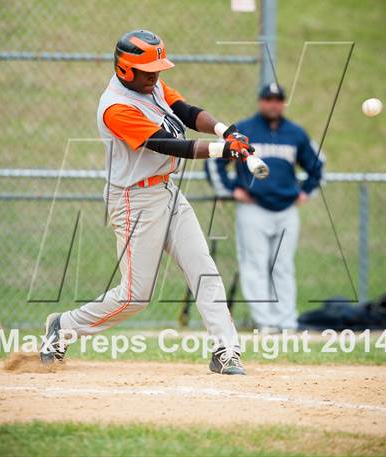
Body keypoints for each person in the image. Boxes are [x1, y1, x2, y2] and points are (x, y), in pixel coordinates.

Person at [40, 29, 258, 375]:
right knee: (134, 296)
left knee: (204, 269)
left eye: (157, 69)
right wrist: (222, 150)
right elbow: (169, 145)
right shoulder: (115, 108)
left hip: (166, 190)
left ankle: (226, 350)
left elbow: (186, 111)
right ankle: (63, 326)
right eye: (147, 70)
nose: (155, 76)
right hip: (133, 200)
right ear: (126, 70)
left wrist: (225, 131)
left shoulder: (150, 84)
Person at [206, 83, 324, 332]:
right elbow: (214, 161)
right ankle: (266, 322)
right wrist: (230, 189)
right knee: (255, 265)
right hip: (253, 207)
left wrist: (306, 191)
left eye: (278, 99)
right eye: (268, 99)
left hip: (286, 209)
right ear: (260, 102)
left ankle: (287, 321)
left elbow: (317, 164)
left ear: (283, 103)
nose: (273, 104)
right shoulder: (244, 131)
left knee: (283, 265)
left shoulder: (295, 133)